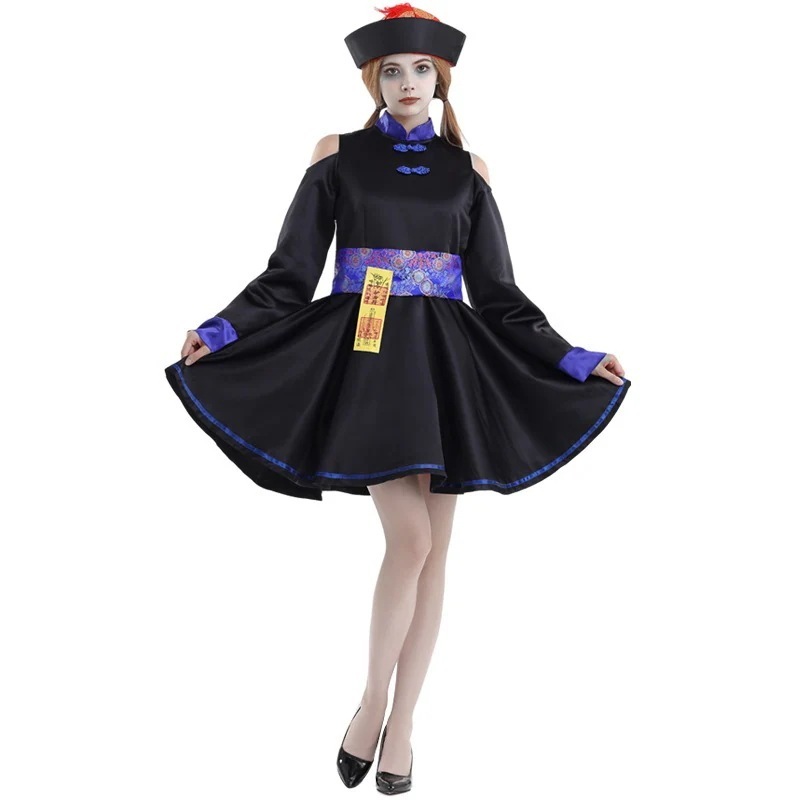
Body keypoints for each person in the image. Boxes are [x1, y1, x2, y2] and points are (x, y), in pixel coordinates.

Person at [164, 3, 630, 793]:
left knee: (436, 552)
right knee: (410, 540)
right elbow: (290, 272)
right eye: (391, 71)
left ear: (440, 81)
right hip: (371, 348)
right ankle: (371, 701)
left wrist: (573, 357)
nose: (407, 83)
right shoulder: (336, 155)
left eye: (420, 70)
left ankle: (404, 723)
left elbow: (499, 294)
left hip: (447, 359)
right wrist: (225, 327)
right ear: (372, 81)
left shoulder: (470, 170)